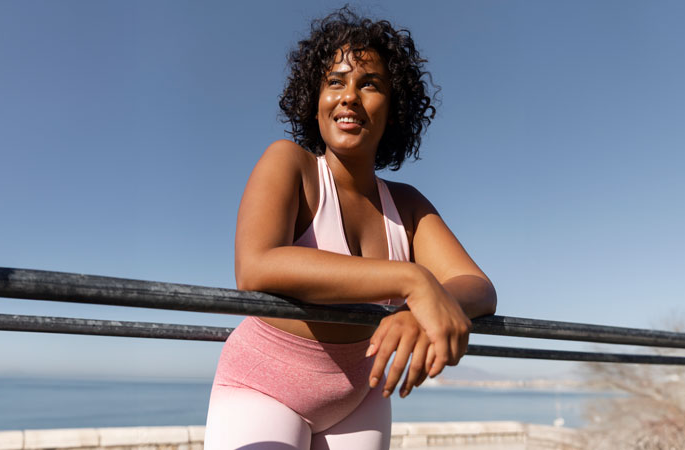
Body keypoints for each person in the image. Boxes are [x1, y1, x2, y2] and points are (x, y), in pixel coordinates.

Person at [204, 7, 496, 450]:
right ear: (314, 100)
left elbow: (478, 287)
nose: (349, 96)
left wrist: (428, 305)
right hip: (262, 388)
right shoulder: (290, 164)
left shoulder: (408, 204)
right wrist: (413, 281)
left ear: (393, 110)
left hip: (361, 394)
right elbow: (256, 266)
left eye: (370, 84)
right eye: (335, 81)